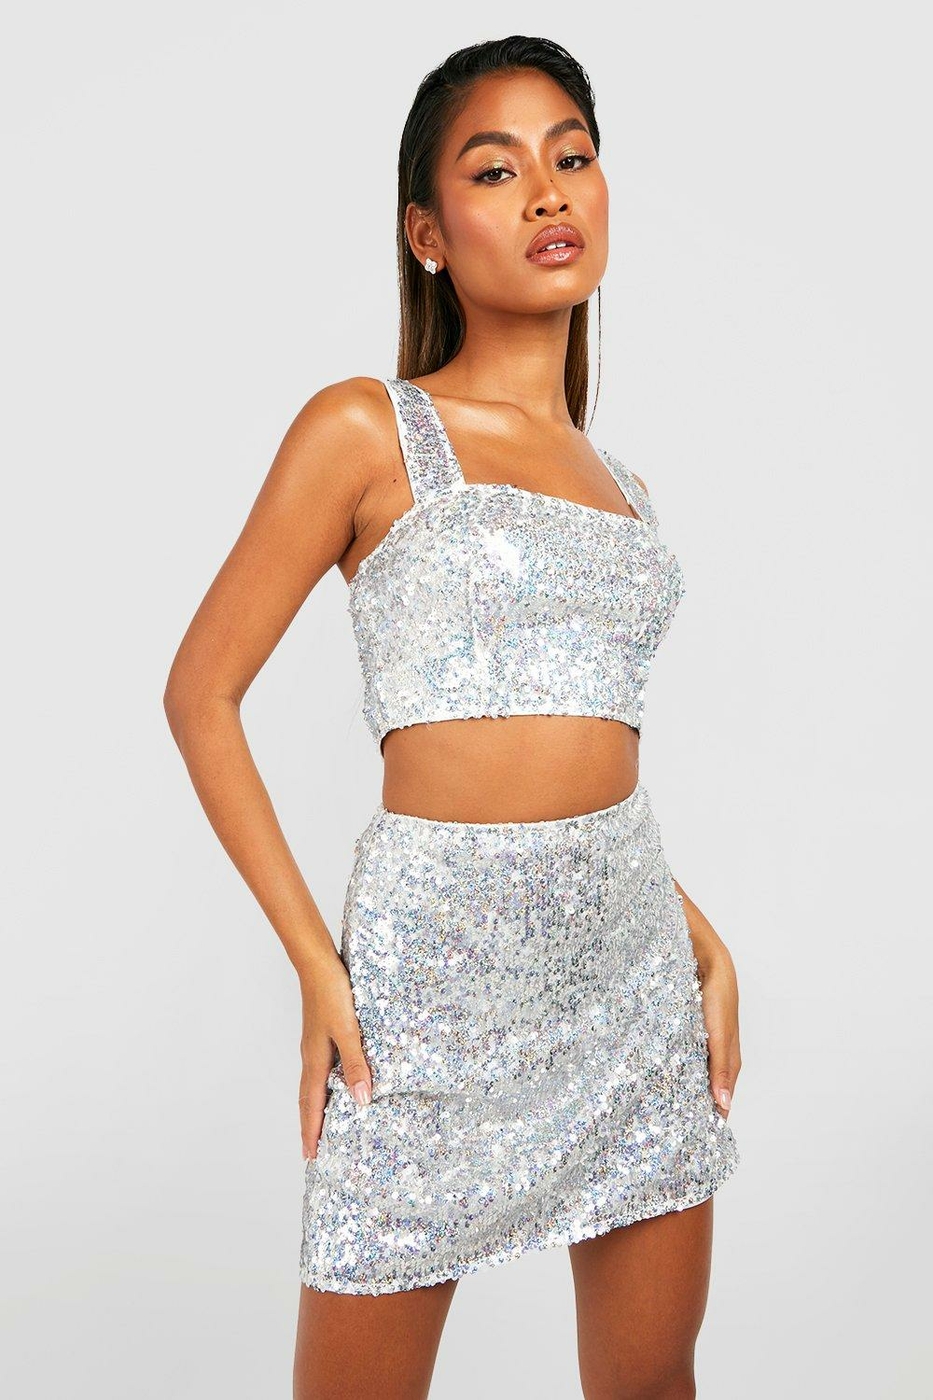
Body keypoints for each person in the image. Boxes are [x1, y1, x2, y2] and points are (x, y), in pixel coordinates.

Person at [163, 34, 741, 1400]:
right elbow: (200, 694)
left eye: (572, 157)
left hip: (629, 981)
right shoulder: (367, 430)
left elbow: (579, 740)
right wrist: (318, 965)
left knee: (651, 1384)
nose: (547, 192)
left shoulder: (623, 486)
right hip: (425, 993)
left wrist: (694, 931)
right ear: (426, 233)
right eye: (495, 170)